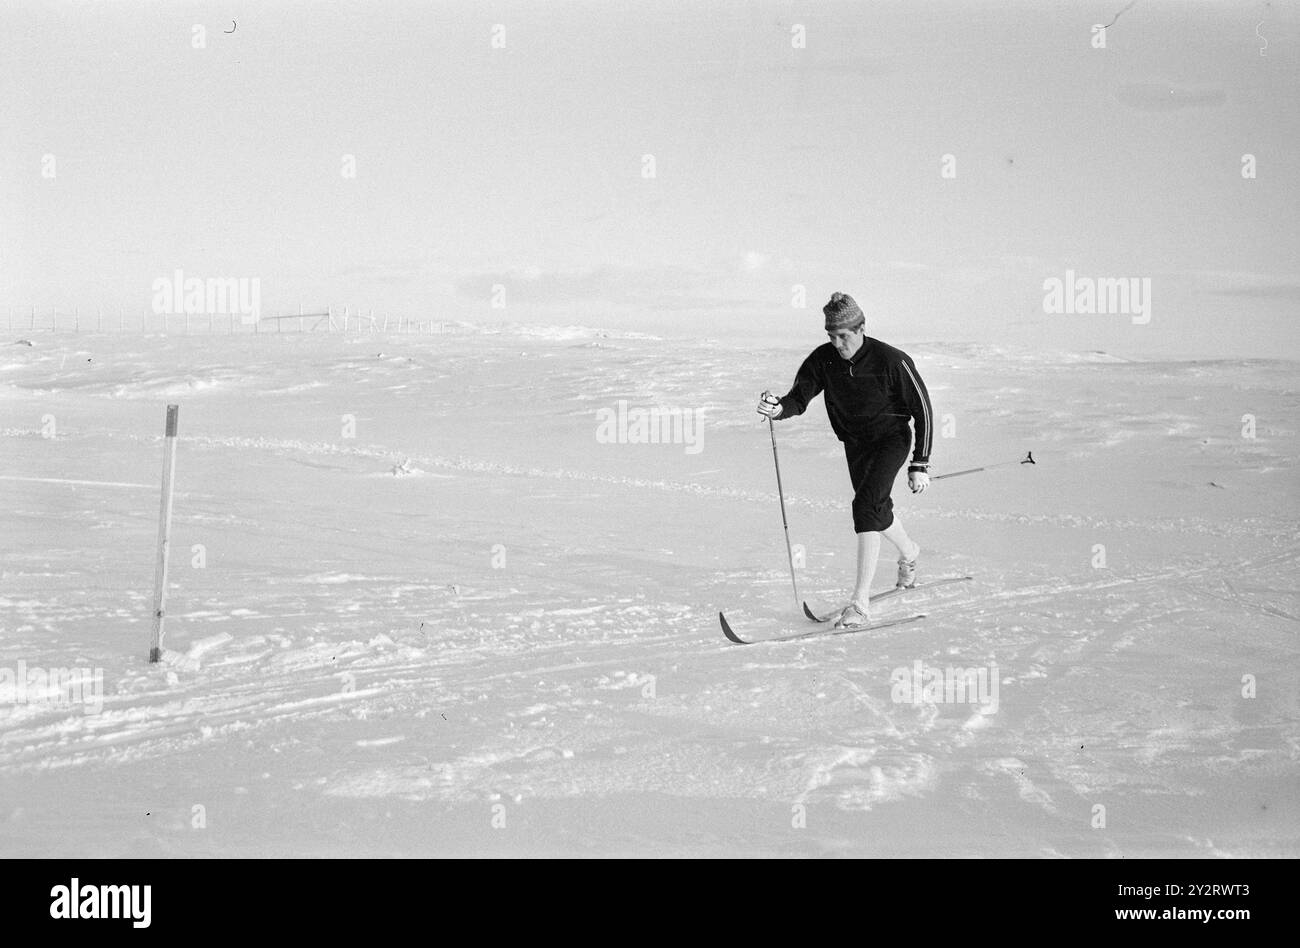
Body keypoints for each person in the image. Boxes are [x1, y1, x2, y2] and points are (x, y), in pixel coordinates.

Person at [757, 292, 932, 629]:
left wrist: (919, 463)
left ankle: (860, 603)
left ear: (862, 327)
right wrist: (779, 409)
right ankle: (910, 554)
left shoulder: (891, 360)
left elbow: (923, 410)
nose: (837, 343)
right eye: (831, 336)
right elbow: (799, 397)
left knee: (865, 506)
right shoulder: (823, 359)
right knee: (876, 509)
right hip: (855, 444)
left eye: (844, 336)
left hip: (891, 440)